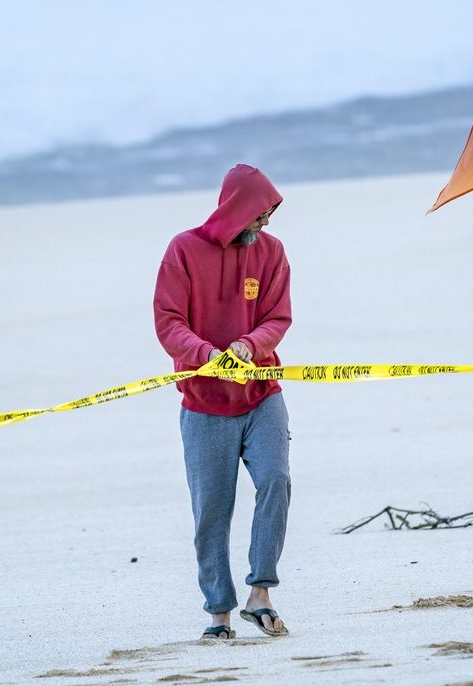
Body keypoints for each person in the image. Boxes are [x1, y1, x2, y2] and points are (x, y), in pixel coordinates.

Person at [153, 164, 292, 639]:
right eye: (260, 213)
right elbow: (168, 321)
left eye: (270, 213)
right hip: (203, 403)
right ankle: (219, 614)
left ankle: (261, 592)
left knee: (276, 480)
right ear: (237, 209)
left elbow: (278, 317)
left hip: (261, 393)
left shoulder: (272, 253)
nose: (265, 223)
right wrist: (206, 355)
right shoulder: (183, 250)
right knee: (212, 508)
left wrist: (249, 346)